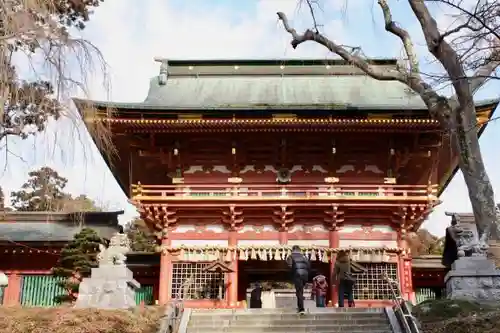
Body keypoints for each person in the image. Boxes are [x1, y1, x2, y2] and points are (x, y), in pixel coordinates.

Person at [286, 245, 311, 314]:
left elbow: (289, 266)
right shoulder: (304, 256)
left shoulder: (290, 256)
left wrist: (291, 275)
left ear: (292, 250)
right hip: (305, 275)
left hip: (297, 275)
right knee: (300, 291)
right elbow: (309, 266)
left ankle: (301, 309)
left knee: (299, 292)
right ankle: (300, 306)